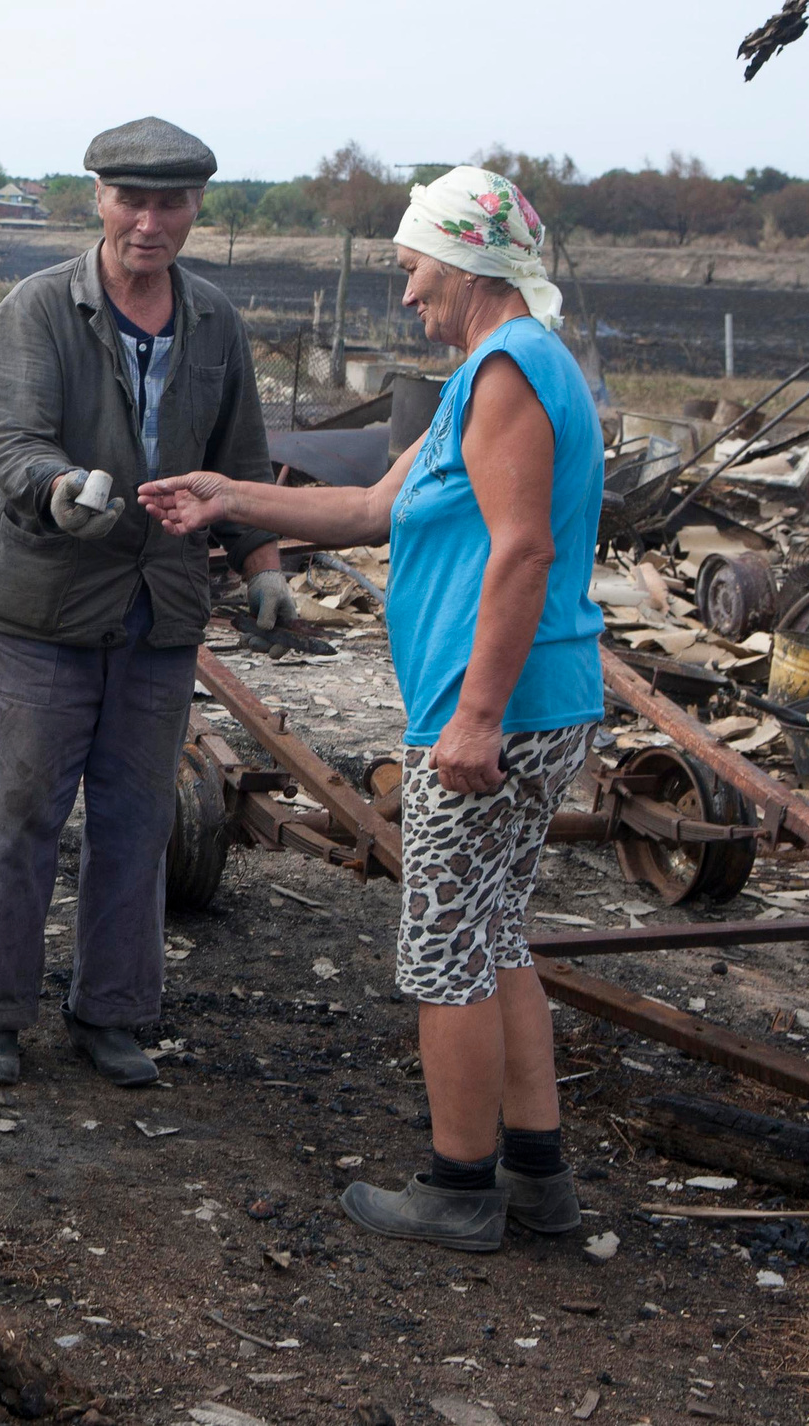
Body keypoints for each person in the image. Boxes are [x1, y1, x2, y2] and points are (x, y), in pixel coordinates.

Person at [139, 166, 604, 1250]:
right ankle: (538, 1180)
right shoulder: (499, 368)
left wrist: (475, 718)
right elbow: (366, 506)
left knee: (444, 951)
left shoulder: (509, 374)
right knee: (494, 936)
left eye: (412, 268)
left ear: (466, 261)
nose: (405, 292)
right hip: (534, 701)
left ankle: (457, 1188)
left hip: (499, 708)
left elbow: (524, 550)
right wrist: (228, 494)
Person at [0, 117, 289, 1088]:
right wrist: (61, 488)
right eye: (130, 200)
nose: (148, 222)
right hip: (49, 608)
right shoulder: (38, 308)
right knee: (19, 813)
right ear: (97, 199)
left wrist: (262, 562)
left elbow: (239, 459)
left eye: (169, 203)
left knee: (138, 821)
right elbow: (13, 443)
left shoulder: (214, 321)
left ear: (194, 209)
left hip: (161, 610)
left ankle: (112, 1013)